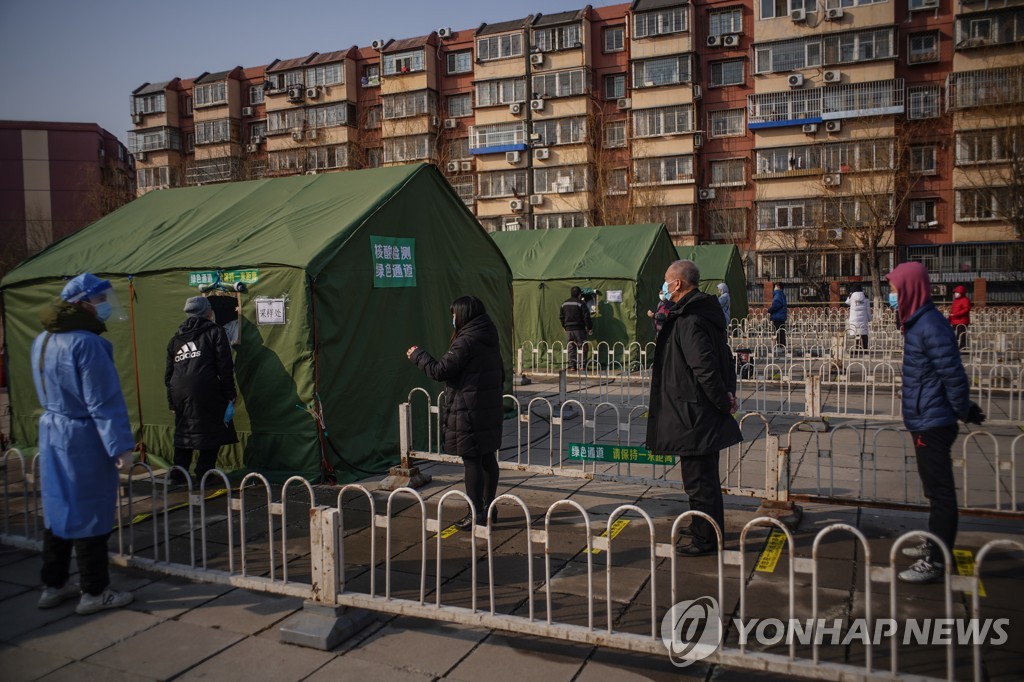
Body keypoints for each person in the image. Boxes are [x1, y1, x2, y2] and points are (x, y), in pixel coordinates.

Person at [31, 273, 136, 614]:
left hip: (51, 432)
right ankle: (95, 591)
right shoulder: (86, 343)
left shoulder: (42, 340)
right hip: (83, 436)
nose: (104, 306)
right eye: (100, 300)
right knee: (91, 510)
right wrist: (120, 446)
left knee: (58, 509)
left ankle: (54, 583)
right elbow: (103, 400)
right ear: (82, 303)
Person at [886, 262, 985, 584]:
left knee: (941, 493)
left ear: (911, 288)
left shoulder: (930, 326)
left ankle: (937, 561)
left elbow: (953, 375)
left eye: (896, 289)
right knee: (933, 490)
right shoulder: (917, 323)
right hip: (924, 418)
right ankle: (935, 542)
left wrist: (963, 410)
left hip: (933, 421)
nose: (892, 295)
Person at [647, 260, 742, 556]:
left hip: (695, 413)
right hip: (695, 410)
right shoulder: (698, 313)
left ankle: (707, 539)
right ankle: (703, 526)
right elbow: (724, 357)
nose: (663, 285)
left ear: (678, 284)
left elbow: (706, 367)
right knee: (699, 480)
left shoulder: (690, 320)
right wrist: (726, 393)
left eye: (666, 280)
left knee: (700, 483)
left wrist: (721, 399)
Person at [407, 296, 504, 530]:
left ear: (463, 314)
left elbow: (441, 370)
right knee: (488, 458)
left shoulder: (466, 340)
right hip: (488, 405)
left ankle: (476, 513)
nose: (452, 319)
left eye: (454, 315)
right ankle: (490, 507)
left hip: (469, 409)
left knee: (472, 461)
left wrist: (418, 355)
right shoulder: (488, 333)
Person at [164, 296, 238, 485]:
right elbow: (225, 365)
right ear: (208, 312)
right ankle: (205, 473)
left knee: (184, 429)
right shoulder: (215, 332)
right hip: (205, 387)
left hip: (178, 389)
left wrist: (172, 400)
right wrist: (230, 393)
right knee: (211, 428)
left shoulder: (176, 338)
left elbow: (169, 372)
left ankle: (178, 473)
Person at [560, 286, 592, 371]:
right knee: (583, 346)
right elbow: (586, 316)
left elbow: (561, 316)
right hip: (579, 329)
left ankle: (572, 365)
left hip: (568, 329)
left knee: (571, 346)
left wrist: (564, 326)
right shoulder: (581, 303)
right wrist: (589, 327)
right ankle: (583, 365)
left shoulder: (564, 303)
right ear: (579, 294)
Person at [844, 283, 872, 350]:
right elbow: (868, 309)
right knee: (864, 334)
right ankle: (865, 349)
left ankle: (857, 349)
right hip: (863, 319)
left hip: (854, 319)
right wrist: (869, 318)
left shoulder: (852, 298)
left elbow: (846, 302)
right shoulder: (865, 297)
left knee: (857, 334)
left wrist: (850, 294)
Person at [948, 285, 971, 351]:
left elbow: (966, 309)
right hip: (955, 321)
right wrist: (950, 318)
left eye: (958, 292)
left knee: (962, 335)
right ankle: (956, 348)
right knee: (955, 335)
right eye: (955, 292)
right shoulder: (955, 301)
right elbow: (953, 310)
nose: (956, 294)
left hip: (962, 321)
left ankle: (963, 349)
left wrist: (955, 315)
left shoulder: (965, 300)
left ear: (962, 293)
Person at [768, 282, 788, 348]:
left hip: (777, 316)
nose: (774, 288)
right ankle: (782, 346)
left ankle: (779, 346)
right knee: (781, 332)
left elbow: (777, 304)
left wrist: (770, 310)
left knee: (778, 332)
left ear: (778, 287)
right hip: (781, 316)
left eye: (775, 286)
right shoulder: (782, 294)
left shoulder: (778, 294)